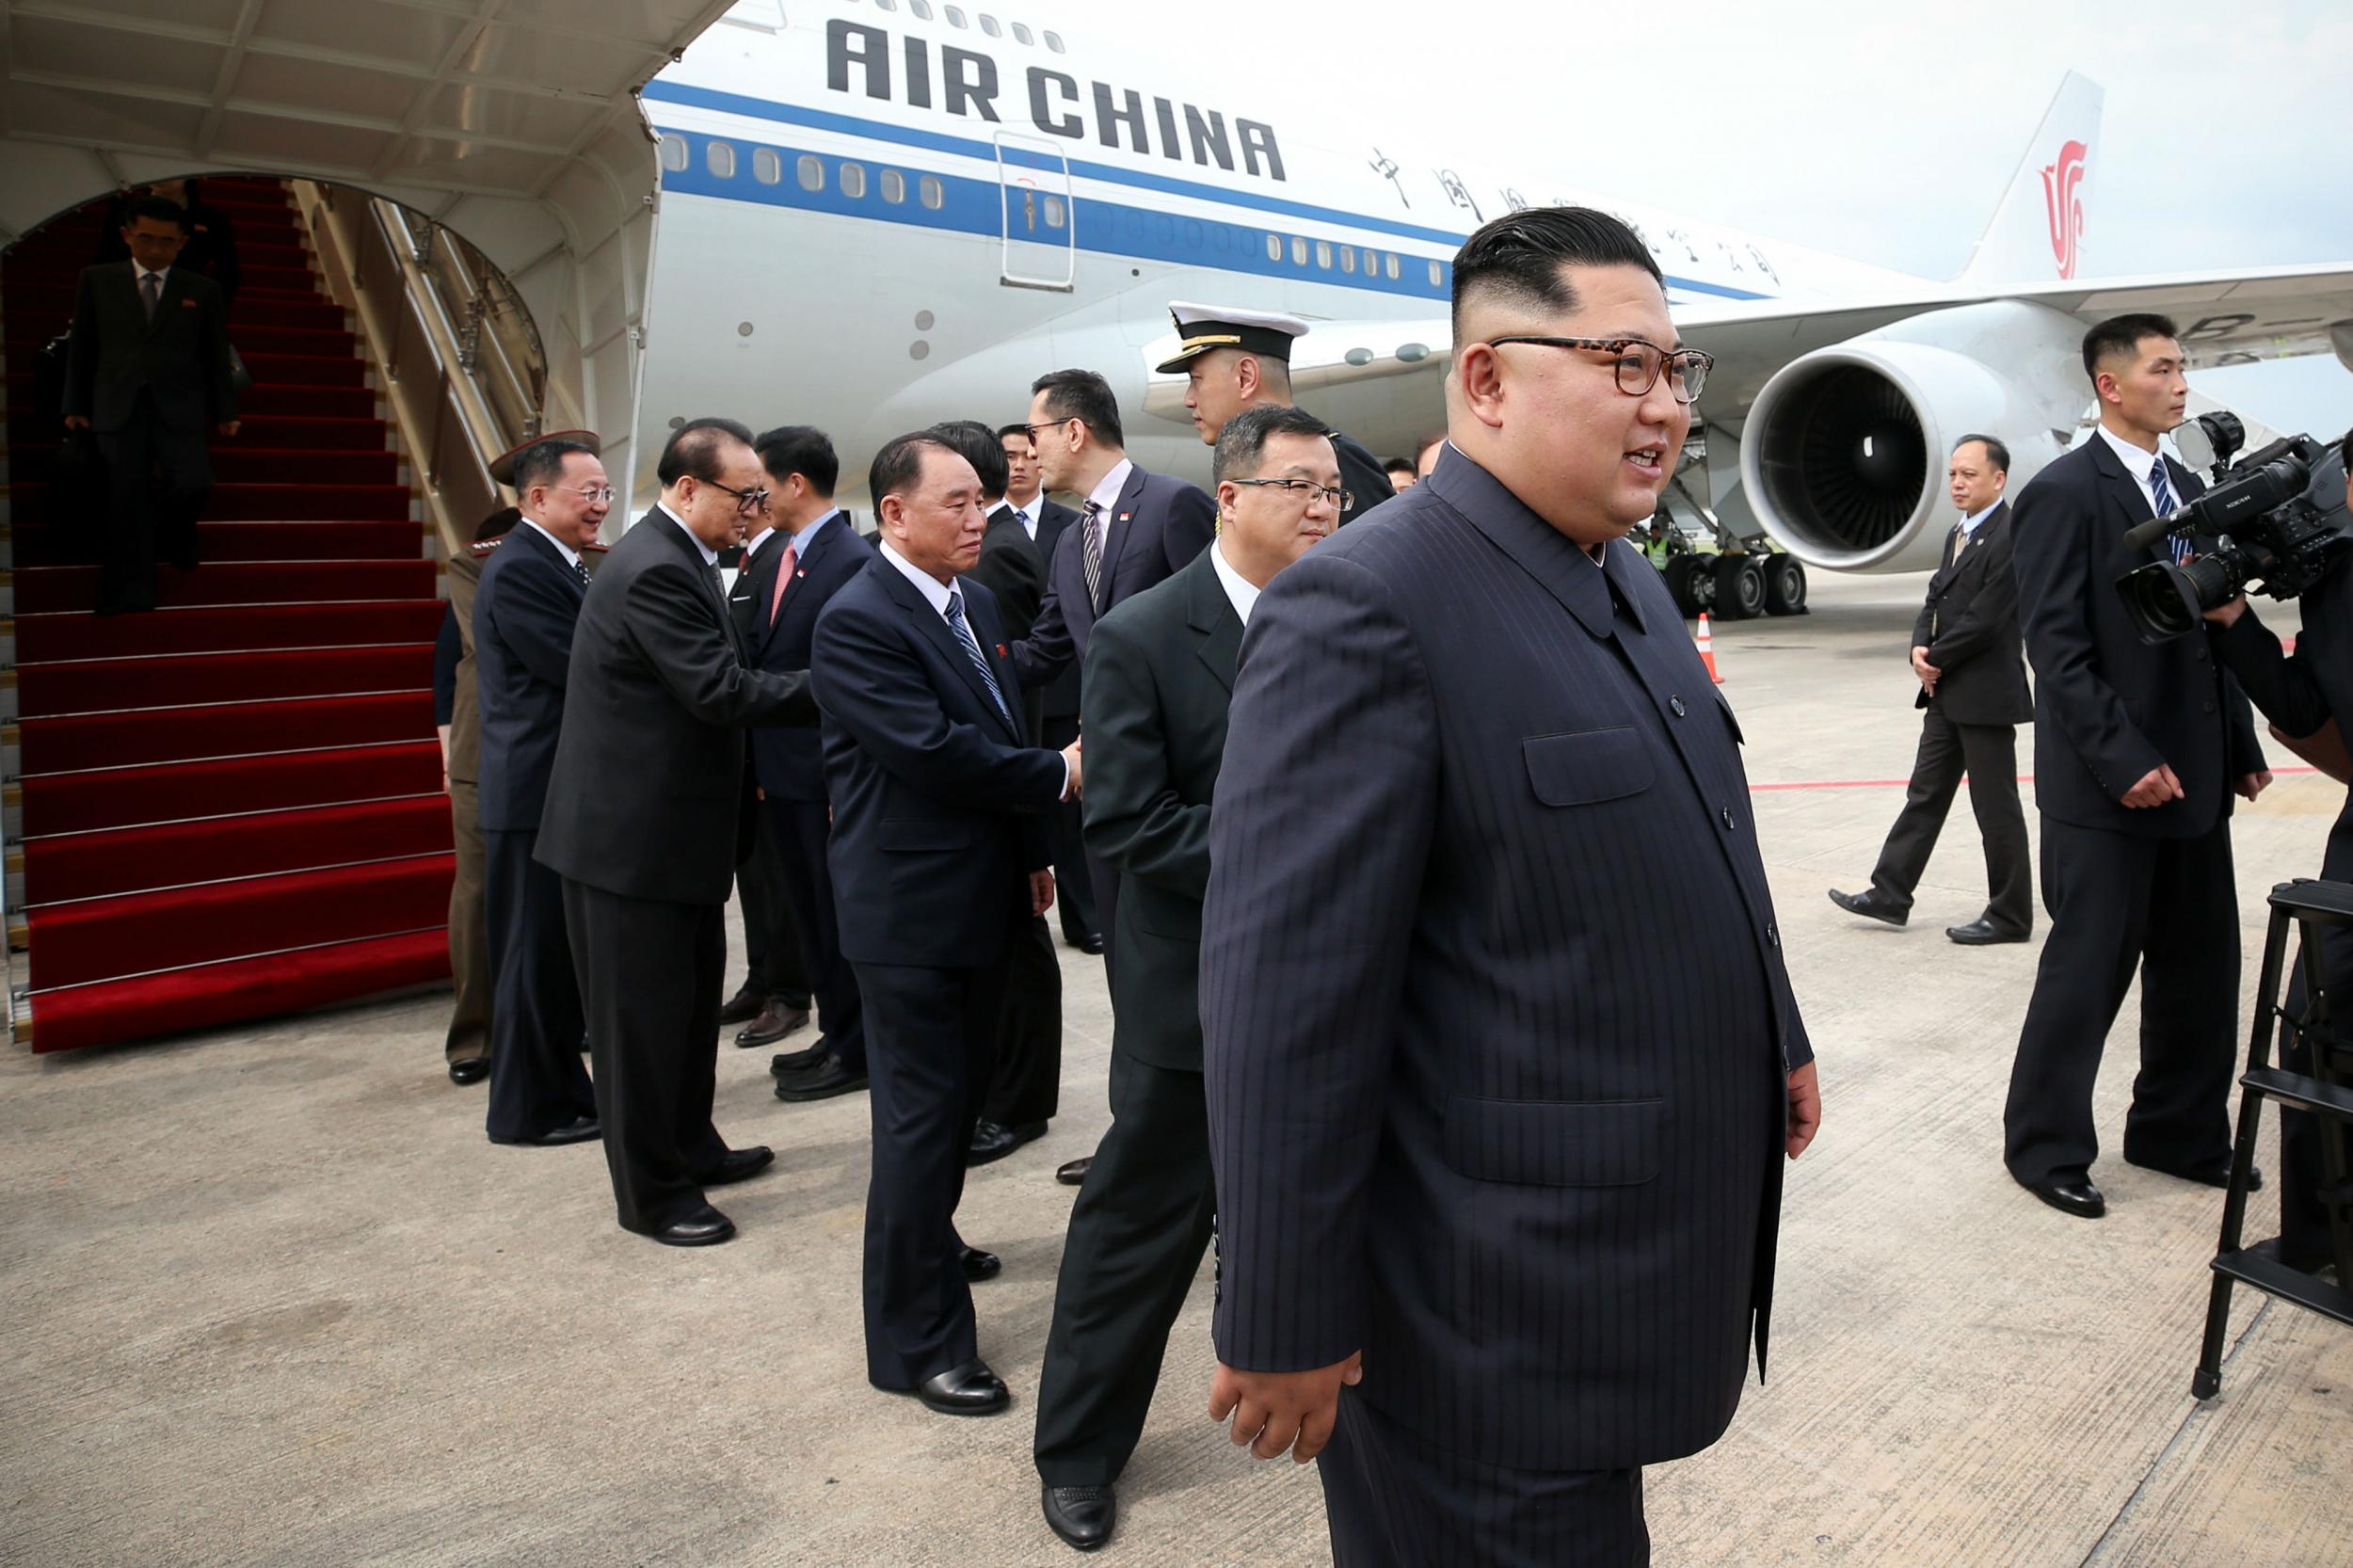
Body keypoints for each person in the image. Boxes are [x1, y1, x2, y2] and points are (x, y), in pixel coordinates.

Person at [1197, 208, 1820, 1567]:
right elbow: (1284, 1000)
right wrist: (1287, 1316)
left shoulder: (1629, 581)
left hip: (1603, 1275)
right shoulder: (1368, 606)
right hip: (1483, 1315)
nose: (1665, 408)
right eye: (1623, 366)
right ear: (1484, 379)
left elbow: (1706, 820)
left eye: (1676, 371)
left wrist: (1779, 1029)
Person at [1032, 404, 1339, 1554]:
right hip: (1198, 1000)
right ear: (1232, 495)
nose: (1321, 509)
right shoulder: (1148, 633)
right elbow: (1126, 819)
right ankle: (1076, 1451)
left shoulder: (1347, 618)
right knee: (1141, 1230)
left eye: (1333, 494)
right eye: (1300, 487)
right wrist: (1303, 848)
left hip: (1339, 988)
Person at [810, 433, 1080, 1417]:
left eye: (982, 502)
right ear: (894, 512)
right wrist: (1059, 773)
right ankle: (914, 1342)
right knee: (920, 1124)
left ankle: (929, 1241)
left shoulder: (971, 601)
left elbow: (1001, 722)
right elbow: (935, 753)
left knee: (956, 1107)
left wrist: (1034, 852)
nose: (979, 518)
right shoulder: (858, 620)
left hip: (983, 895)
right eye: (958, 504)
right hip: (911, 915)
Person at [2004, 313, 2271, 1222]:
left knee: (2202, 972)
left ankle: (2178, 1129)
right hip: (2110, 789)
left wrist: (2239, 746)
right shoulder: (2064, 493)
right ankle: (2044, 1147)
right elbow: (2058, 647)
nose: (2182, 383)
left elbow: (2210, 626)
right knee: (2086, 977)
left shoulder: (2188, 487)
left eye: (2183, 366)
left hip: (2194, 776)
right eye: (2164, 368)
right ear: (2112, 385)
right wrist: (2124, 761)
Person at [535, 419, 819, 1246]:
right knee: (637, 1030)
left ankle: (692, 1145)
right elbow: (719, 691)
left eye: (762, 495)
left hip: (676, 840)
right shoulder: (655, 566)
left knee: (688, 1013)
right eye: (745, 496)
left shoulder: (683, 557)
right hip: (628, 847)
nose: (755, 511)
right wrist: (846, 676)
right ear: (688, 488)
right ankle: (651, 1193)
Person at [1010, 369, 1216, 1187]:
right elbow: (1049, 650)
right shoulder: (1068, 539)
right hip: (1110, 787)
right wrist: (949, 654)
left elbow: (1219, 623)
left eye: (1035, 430)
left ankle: (1198, 1141)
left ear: (1074, 432)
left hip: (1177, 785)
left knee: (1180, 968)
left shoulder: (1173, 506)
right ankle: (1138, 1137)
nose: (1025, 446)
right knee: (1129, 966)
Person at [2203, 424, 2353, 1274]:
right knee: (2316, 1038)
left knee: (2321, 1033)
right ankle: (2319, 1240)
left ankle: (2319, 1242)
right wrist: (2238, 624)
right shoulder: (2337, 582)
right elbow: (2304, 702)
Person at [1830, 435, 2033, 944]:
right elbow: (1936, 599)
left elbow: (1986, 620)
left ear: (1999, 480)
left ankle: (2010, 914)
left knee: (1995, 808)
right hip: (1946, 691)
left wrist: (1934, 660)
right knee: (1924, 795)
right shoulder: (1958, 534)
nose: (1958, 483)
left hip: (1983, 695)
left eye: (1969, 474)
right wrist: (1920, 647)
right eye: (1954, 475)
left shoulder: (2011, 536)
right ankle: (1890, 893)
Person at [934, 420, 1064, 1167]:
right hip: (987, 792)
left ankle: (1020, 1103)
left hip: (1002, 784)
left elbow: (1015, 700)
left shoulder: (995, 563)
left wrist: (1029, 822)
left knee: (1022, 959)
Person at [475, 438, 610, 1148]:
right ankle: (527, 1112)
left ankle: (563, 1093)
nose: (599, 508)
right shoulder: (524, 569)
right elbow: (574, 666)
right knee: (529, 960)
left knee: (553, 961)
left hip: (551, 791)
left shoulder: (560, 564)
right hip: (530, 793)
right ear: (535, 499)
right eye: (586, 494)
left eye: (604, 494)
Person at [742, 424, 875, 1104]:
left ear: (795, 483)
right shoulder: (786, 555)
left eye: (760, 481)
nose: (751, 494)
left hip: (824, 775)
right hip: (785, 773)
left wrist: (836, 779)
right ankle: (835, 1029)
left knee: (834, 915)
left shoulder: (847, 559)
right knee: (809, 915)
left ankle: (855, 1045)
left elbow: (845, 683)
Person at [62, 194, 240, 615]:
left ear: (182, 243)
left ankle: (175, 534)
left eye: (166, 241)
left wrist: (226, 410)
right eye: (146, 239)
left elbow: (216, 354)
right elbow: (83, 347)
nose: (155, 249)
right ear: (127, 236)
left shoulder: (202, 290)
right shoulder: (97, 280)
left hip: (179, 407)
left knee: (193, 483)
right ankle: (131, 591)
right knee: (127, 499)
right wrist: (74, 403)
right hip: (117, 404)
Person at [999, 422, 1099, 956]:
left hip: (1066, 695)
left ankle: (1086, 919)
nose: (1018, 464)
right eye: (1007, 455)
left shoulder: (1072, 524)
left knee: (1072, 816)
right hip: (1015, 691)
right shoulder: (985, 528)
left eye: (1026, 453)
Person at [721, 494, 816, 1052]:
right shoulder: (753, 560)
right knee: (755, 883)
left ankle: (787, 991)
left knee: (780, 884)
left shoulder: (782, 557)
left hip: (779, 750)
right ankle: (761, 980)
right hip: (751, 748)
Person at [1160, 301, 1395, 525]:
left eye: (1196, 380)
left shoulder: (1337, 459)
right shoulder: (1242, 460)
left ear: (1246, 377)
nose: (1188, 399)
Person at [437, 499, 523, 1086]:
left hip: (557, 753)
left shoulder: (592, 565)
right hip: (482, 758)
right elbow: (448, 674)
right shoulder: (475, 571)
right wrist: (448, 757)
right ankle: (476, 1035)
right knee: (479, 895)